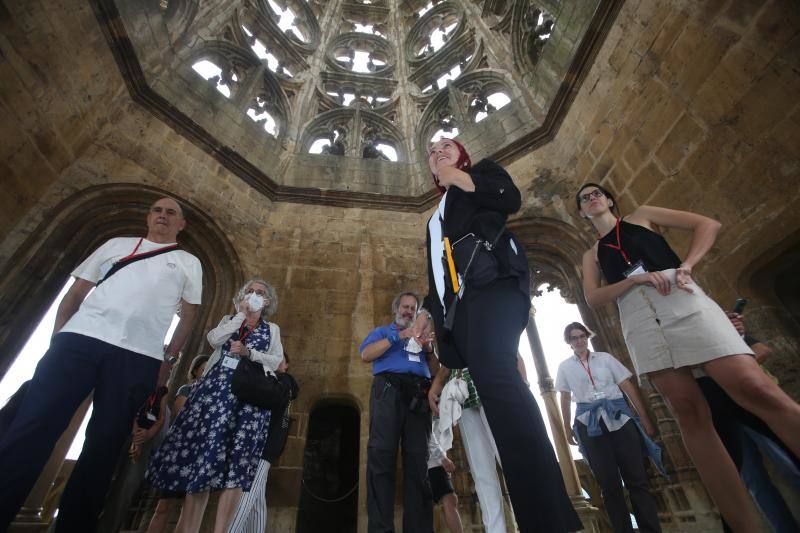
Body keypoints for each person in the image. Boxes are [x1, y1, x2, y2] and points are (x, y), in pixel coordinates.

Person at [575, 182, 800, 531]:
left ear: (609, 199)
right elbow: (593, 297)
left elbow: (708, 224)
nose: (592, 199)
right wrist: (634, 283)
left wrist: (689, 265)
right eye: (584, 199)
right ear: (582, 212)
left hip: (679, 294)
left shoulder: (643, 216)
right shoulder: (591, 254)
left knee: (754, 387)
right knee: (687, 412)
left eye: (597, 193)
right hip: (637, 314)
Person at [0, 196, 202, 532]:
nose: (162, 215)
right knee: (32, 428)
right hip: (80, 342)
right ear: (148, 216)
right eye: (156, 210)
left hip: (138, 356)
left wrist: (167, 361)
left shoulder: (187, 262)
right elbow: (76, 294)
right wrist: (60, 339)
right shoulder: (116, 245)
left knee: (104, 446)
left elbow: (189, 317)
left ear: (182, 224)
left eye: (172, 213)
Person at [415, 138, 581, 532]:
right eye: (431, 153)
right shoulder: (434, 217)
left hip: (494, 288)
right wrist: (427, 310)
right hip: (463, 310)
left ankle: (550, 520)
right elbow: (441, 270)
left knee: (501, 384)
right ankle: (545, 517)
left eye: (445, 148)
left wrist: (457, 177)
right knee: (496, 389)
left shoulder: (480, 174)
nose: (436, 152)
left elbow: (510, 198)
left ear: (463, 156)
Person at [147, 278, 283, 533]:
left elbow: (276, 360)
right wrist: (240, 315)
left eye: (260, 293)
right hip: (215, 395)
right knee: (204, 461)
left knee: (237, 468)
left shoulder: (272, 329)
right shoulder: (229, 320)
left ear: (267, 302)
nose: (254, 295)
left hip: (248, 401)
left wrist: (249, 353)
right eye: (250, 291)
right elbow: (213, 340)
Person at [555, 322, 662, 533]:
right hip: (590, 424)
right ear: (569, 342)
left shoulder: (605, 358)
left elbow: (626, 386)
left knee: (637, 480)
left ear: (587, 337)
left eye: (582, 336)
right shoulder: (565, 367)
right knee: (609, 484)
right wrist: (567, 427)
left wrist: (644, 418)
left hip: (620, 420)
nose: (579, 340)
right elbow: (565, 397)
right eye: (574, 338)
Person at [359, 291, 438, 533]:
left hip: (418, 396)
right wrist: (399, 336)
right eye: (405, 307)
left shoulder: (424, 336)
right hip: (388, 393)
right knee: (381, 459)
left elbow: (435, 369)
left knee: (418, 463)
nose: (409, 311)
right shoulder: (384, 331)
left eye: (413, 309)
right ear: (396, 309)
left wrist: (428, 350)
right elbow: (366, 354)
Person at [428, 365, 512, 533]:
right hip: (464, 400)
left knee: (511, 464)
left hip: (492, 388)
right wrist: (436, 386)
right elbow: (445, 363)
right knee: (481, 474)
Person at [228, 353, 299, 533]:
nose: (274, 360)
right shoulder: (277, 381)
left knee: (246, 492)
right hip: (261, 443)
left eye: (279, 358)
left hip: (265, 445)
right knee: (257, 500)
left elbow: (265, 396)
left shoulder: (284, 381)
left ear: (286, 365)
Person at [146, 354, 210, 533]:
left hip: (199, 452)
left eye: (210, 369)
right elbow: (181, 414)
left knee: (187, 511)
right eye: (203, 369)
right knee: (164, 506)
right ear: (196, 371)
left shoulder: (215, 395)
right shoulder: (186, 390)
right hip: (179, 453)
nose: (206, 372)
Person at [427, 427, 463, 533]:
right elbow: (428, 429)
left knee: (449, 500)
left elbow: (441, 433)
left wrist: (444, 459)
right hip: (431, 460)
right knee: (449, 499)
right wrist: (443, 458)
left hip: (436, 460)